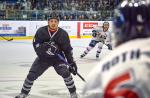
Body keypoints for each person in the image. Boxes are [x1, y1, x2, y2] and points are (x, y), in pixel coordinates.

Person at [82, 0, 150, 98]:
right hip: (96, 39)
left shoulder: (96, 75)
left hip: (102, 44)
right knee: (91, 47)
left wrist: (108, 44)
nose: (105, 26)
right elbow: (94, 32)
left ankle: (96, 54)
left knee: (100, 47)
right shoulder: (99, 28)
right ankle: (85, 53)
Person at [15, 13, 78, 98]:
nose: (53, 23)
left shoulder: (63, 34)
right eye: (51, 21)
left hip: (58, 59)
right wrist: (44, 49)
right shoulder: (41, 31)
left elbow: (67, 50)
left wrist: (71, 63)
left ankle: (74, 94)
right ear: (48, 22)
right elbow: (36, 44)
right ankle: (23, 93)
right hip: (43, 58)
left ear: (58, 22)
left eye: (55, 21)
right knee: (31, 75)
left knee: (66, 73)